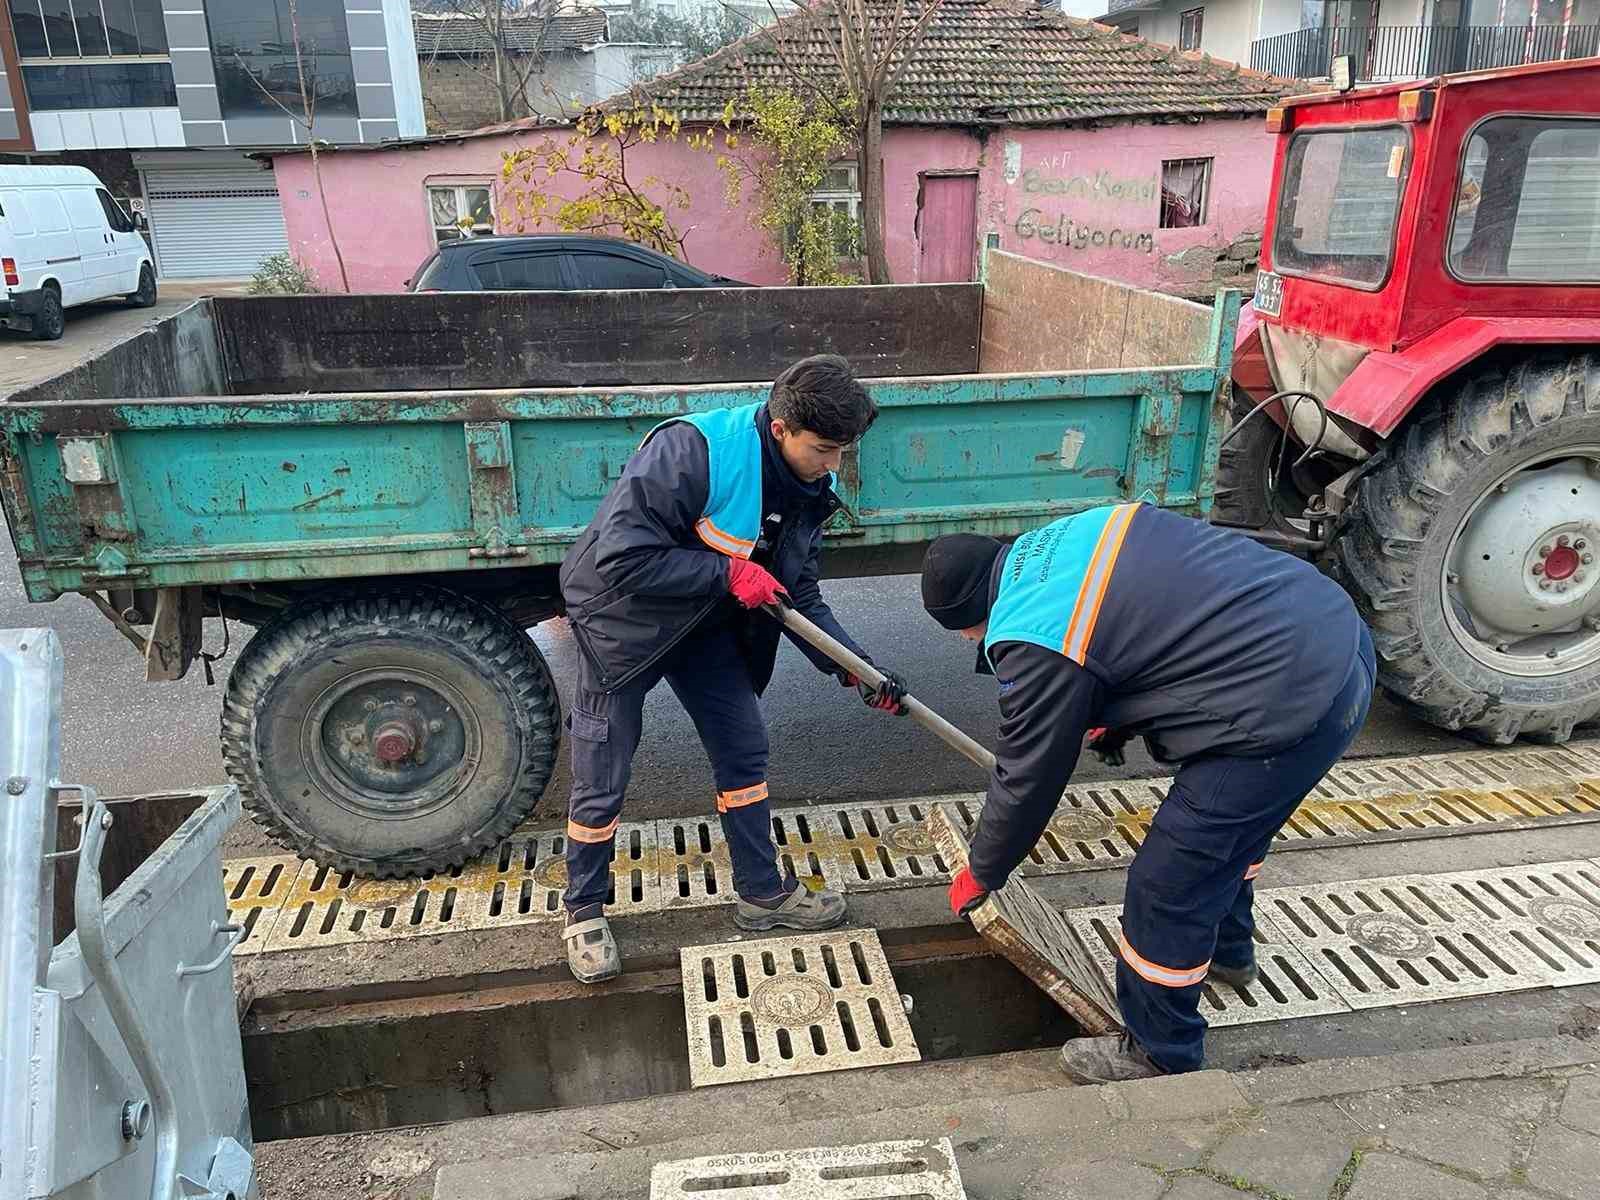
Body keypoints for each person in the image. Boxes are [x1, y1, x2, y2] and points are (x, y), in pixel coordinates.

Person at [920, 502, 1374, 1081]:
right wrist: (1120, 710)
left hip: (1284, 702)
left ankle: (1160, 1052)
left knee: (1170, 880)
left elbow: (1027, 776)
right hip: (1338, 643)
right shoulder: (1067, 537)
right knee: (1233, 833)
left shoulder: (1029, 633)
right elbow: (1153, 615)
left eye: (967, 635)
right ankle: (1230, 954)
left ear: (967, 623)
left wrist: (983, 871)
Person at [557, 354, 907, 983]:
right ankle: (583, 907)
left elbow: (798, 598)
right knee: (603, 766)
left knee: (743, 749)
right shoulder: (691, 453)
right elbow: (620, 559)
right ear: (781, 429)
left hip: (705, 622)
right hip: (622, 621)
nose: (834, 466)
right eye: (824, 449)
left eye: (842, 451)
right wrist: (727, 572)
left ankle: (760, 891)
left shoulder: (807, 492)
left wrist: (859, 669)